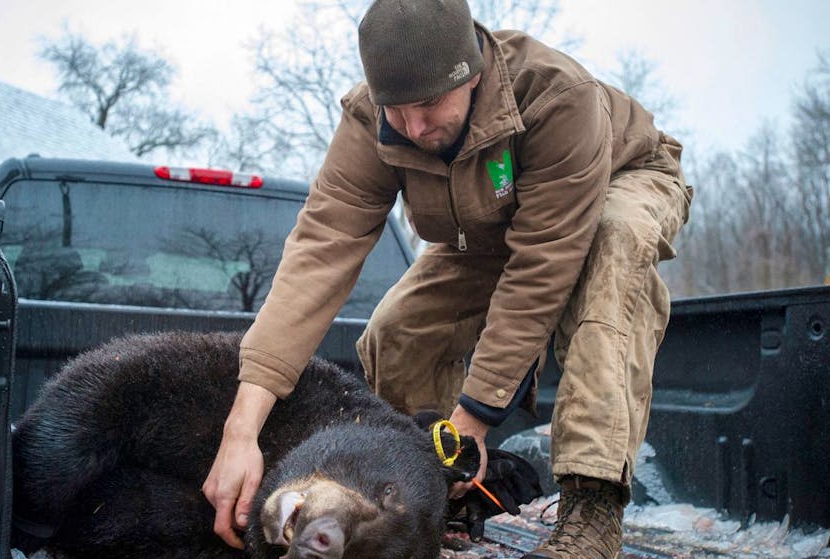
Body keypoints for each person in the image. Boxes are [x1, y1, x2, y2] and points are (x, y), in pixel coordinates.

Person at [201, 0, 692, 557]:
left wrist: (475, 416)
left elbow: (541, 269)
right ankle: (440, 493)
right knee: (397, 330)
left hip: (618, 182)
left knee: (612, 254)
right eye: (396, 110)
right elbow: (318, 254)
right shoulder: (370, 122)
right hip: (490, 224)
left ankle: (592, 510)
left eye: (430, 104)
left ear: (473, 74)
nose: (413, 128)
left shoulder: (557, 97)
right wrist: (240, 430)